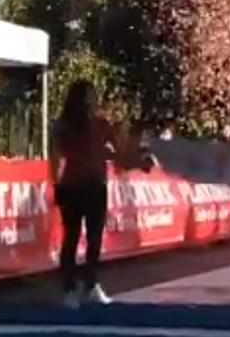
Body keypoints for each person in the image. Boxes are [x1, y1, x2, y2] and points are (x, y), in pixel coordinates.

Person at [50, 80, 151, 309]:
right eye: (88, 97)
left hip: (90, 185)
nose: (90, 101)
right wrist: (56, 183)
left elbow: (117, 154)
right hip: (78, 185)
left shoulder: (99, 124)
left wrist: (136, 161)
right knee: (75, 238)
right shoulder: (65, 125)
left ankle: (87, 286)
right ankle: (73, 288)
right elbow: (56, 156)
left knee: (88, 239)